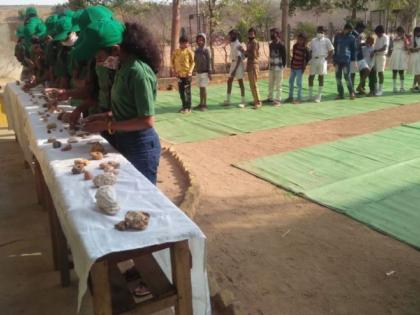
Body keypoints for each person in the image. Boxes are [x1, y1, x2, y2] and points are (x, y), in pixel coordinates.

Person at [80, 19, 162, 185]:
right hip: (124, 140)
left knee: (142, 195)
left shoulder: (138, 72)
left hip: (140, 146)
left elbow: (146, 121)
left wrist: (108, 126)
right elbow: (127, 107)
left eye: (100, 57)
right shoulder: (122, 69)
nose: (98, 62)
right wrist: (104, 116)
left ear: (116, 50)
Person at [308, 26, 334, 103]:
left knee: (321, 77)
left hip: (322, 60)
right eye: (318, 31)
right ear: (316, 31)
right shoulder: (313, 40)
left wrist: (328, 60)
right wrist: (309, 59)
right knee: (311, 76)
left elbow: (331, 50)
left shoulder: (327, 40)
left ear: (323, 32)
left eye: (321, 32)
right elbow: (310, 50)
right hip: (314, 59)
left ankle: (319, 96)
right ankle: (310, 95)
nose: (320, 33)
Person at [172, 36, 195, 113]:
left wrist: (190, 71)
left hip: (187, 75)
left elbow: (193, 62)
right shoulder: (176, 52)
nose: (184, 44)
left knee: (187, 91)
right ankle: (184, 106)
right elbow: (172, 62)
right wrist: (174, 70)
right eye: (183, 43)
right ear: (180, 43)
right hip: (179, 75)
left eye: (186, 43)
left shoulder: (189, 51)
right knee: (181, 92)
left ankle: (188, 107)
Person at [333, 23, 356, 100]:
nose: (350, 32)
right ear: (345, 29)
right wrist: (334, 59)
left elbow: (354, 50)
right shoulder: (337, 36)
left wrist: (354, 61)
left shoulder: (352, 38)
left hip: (346, 60)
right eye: (349, 30)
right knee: (338, 78)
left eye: (351, 31)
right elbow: (335, 48)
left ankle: (351, 92)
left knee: (347, 77)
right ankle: (340, 94)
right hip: (337, 60)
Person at [223, 29, 246, 107]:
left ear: (236, 35)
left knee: (240, 82)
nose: (230, 36)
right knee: (229, 81)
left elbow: (239, 58)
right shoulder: (232, 43)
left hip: (238, 65)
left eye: (232, 35)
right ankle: (228, 100)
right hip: (233, 63)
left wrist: (235, 69)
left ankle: (243, 101)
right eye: (230, 35)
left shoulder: (238, 44)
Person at [285, 32, 309, 104]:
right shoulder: (295, 46)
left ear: (304, 40)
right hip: (293, 67)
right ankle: (290, 97)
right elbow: (294, 55)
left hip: (299, 68)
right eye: (298, 39)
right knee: (290, 82)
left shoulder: (306, 49)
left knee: (299, 83)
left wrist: (303, 67)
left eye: (301, 39)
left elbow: (308, 58)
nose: (299, 41)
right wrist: (292, 65)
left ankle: (299, 98)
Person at [265, 27, 286, 106]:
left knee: (278, 84)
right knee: (270, 82)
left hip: (279, 67)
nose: (271, 35)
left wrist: (283, 66)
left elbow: (284, 56)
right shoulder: (271, 44)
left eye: (273, 33)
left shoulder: (281, 44)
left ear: (277, 34)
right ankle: (270, 97)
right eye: (271, 33)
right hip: (272, 66)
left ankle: (278, 99)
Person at [243, 27, 261, 108]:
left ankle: (258, 102)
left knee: (254, 84)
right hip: (249, 65)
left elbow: (253, 55)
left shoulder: (255, 42)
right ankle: (255, 100)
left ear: (255, 34)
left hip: (254, 65)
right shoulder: (249, 42)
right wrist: (244, 52)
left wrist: (244, 52)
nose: (250, 35)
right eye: (249, 33)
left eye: (252, 33)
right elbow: (247, 54)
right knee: (251, 84)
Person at [193, 33, 212, 111]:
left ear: (204, 40)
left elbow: (209, 61)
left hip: (205, 72)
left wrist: (209, 72)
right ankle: (201, 103)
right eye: (199, 40)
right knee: (200, 88)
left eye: (202, 40)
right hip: (198, 72)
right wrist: (194, 69)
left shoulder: (206, 50)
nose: (200, 41)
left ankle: (205, 104)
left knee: (203, 88)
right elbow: (195, 60)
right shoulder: (196, 50)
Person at [390, 26, 410, 93]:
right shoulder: (395, 37)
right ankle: (394, 87)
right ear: (397, 32)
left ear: (403, 32)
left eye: (401, 31)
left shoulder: (405, 39)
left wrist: (405, 41)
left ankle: (402, 87)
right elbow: (395, 40)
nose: (400, 33)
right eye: (399, 31)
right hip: (395, 54)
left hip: (402, 55)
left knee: (401, 71)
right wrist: (402, 38)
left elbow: (406, 48)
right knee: (394, 71)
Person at [372, 25, 389, 96]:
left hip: (382, 56)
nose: (377, 35)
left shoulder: (385, 37)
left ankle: (380, 90)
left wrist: (376, 50)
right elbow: (374, 47)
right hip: (376, 56)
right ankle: (376, 88)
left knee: (380, 73)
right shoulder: (377, 38)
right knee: (374, 72)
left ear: (381, 32)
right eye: (376, 33)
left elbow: (384, 48)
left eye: (378, 33)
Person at [350, 21, 367, 87]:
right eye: (363, 28)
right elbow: (355, 46)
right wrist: (362, 44)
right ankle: (352, 90)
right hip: (354, 57)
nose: (363, 30)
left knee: (366, 70)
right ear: (359, 28)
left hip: (360, 56)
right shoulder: (353, 34)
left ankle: (360, 87)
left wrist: (362, 44)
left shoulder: (359, 35)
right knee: (353, 73)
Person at [409, 27, 420, 92]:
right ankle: (414, 86)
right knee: (416, 72)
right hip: (414, 56)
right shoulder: (413, 38)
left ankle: (418, 86)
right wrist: (411, 49)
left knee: (418, 72)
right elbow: (411, 47)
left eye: (418, 32)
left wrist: (414, 49)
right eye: (415, 32)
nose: (416, 33)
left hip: (419, 56)